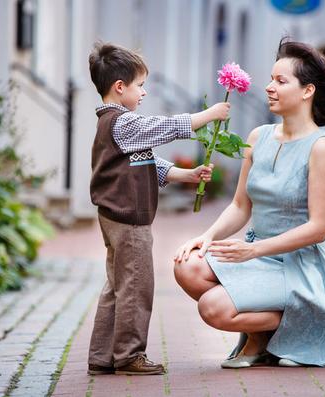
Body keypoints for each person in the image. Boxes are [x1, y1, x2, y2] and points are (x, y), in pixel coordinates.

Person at [173, 37, 325, 368]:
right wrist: (208, 236)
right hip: (257, 255)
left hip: (301, 265)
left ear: (307, 91)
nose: (269, 87)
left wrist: (254, 250)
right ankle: (262, 341)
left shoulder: (321, 147)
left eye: (280, 81)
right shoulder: (258, 137)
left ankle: (306, 321)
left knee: (212, 308)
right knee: (186, 267)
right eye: (271, 79)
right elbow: (241, 206)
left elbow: (318, 229)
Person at [87, 42, 230, 376]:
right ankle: (129, 355)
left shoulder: (117, 126)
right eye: (139, 85)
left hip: (114, 216)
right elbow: (164, 128)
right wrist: (209, 115)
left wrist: (187, 175)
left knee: (117, 285)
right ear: (120, 88)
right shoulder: (122, 123)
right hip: (129, 220)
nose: (144, 92)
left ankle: (102, 354)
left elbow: (147, 160)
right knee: (137, 286)